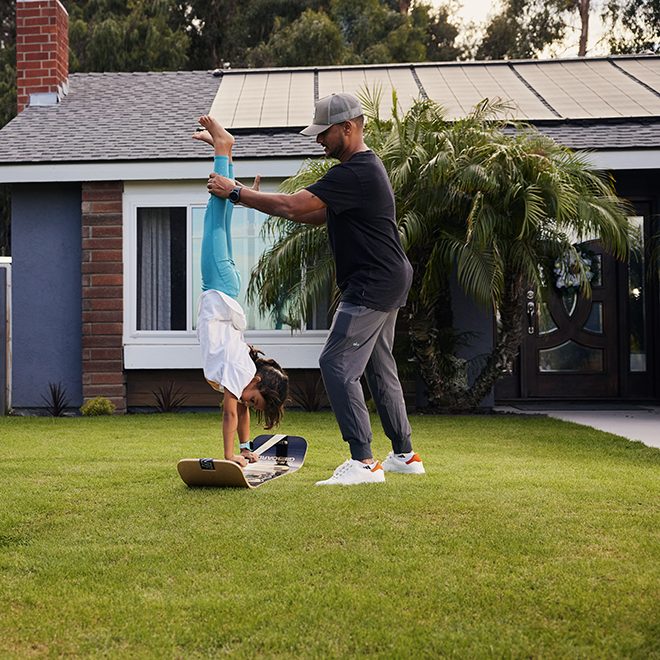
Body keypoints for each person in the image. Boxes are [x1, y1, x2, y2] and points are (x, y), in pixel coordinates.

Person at [206, 93, 425, 485]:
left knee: (337, 364)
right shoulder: (361, 171)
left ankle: (364, 463)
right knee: (379, 366)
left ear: (348, 127)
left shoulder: (355, 170)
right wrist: (246, 197)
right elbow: (313, 214)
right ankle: (405, 455)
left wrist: (236, 192)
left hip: (372, 282)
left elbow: (293, 206)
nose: (318, 141)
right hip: (388, 277)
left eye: (323, 133)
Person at [193, 115, 289, 468]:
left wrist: (248, 447)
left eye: (254, 405)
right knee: (214, 212)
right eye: (256, 400)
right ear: (259, 381)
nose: (248, 404)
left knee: (220, 216)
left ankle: (225, 153)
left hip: (225, 288)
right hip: (219, 287)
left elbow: (243, 415)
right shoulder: (240, 372)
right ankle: (223, 147)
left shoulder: (247, 374)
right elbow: (230, 417)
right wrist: (230, 455)